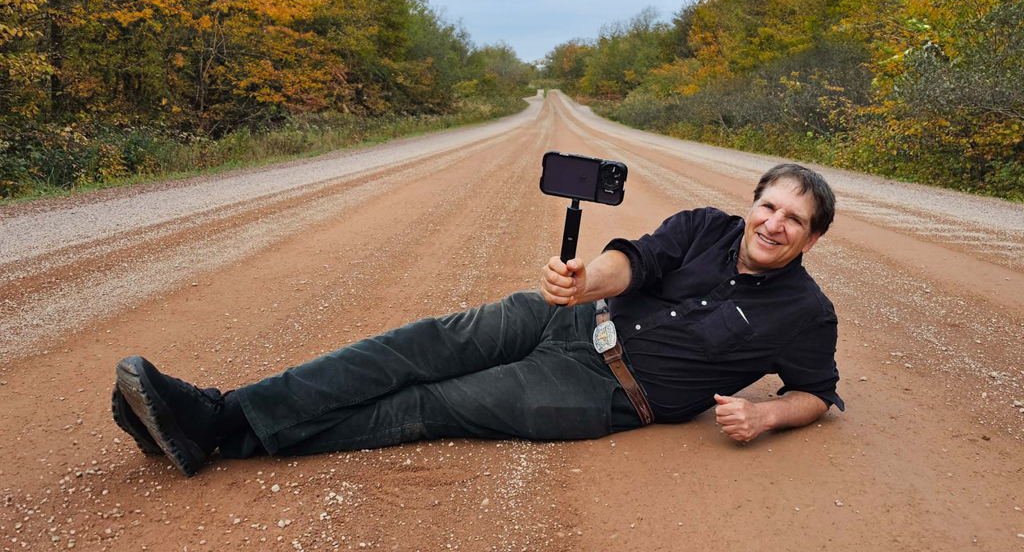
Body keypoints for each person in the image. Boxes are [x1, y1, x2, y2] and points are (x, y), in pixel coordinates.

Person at [112, 163, 843, 478]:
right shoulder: (705, 226)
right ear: (754, 205)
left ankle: (218, 438)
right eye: (769, 206)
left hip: (609, 392)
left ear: (813, 239)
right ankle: (213, 414)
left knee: (432, 404)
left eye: (794, 220)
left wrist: (770, 417)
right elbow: (637, 262)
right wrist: (586, 278)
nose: (773, 225)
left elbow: (819, 391)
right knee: (415, 346)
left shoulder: (806, 314)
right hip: (573, 320)